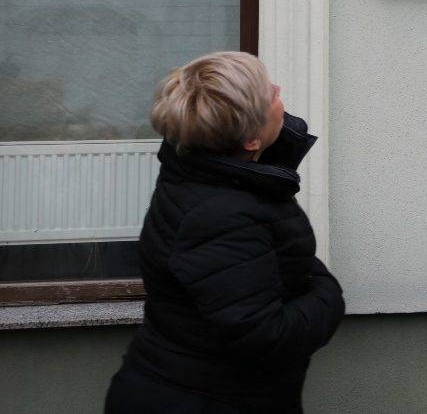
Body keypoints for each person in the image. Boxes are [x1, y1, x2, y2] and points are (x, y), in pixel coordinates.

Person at [105, 52, 344, 414]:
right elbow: (267, 338)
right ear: (250, 141)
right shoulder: (220, 216)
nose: (278, 89)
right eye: (269, 94)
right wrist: (327, 291)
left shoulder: (199, 165)